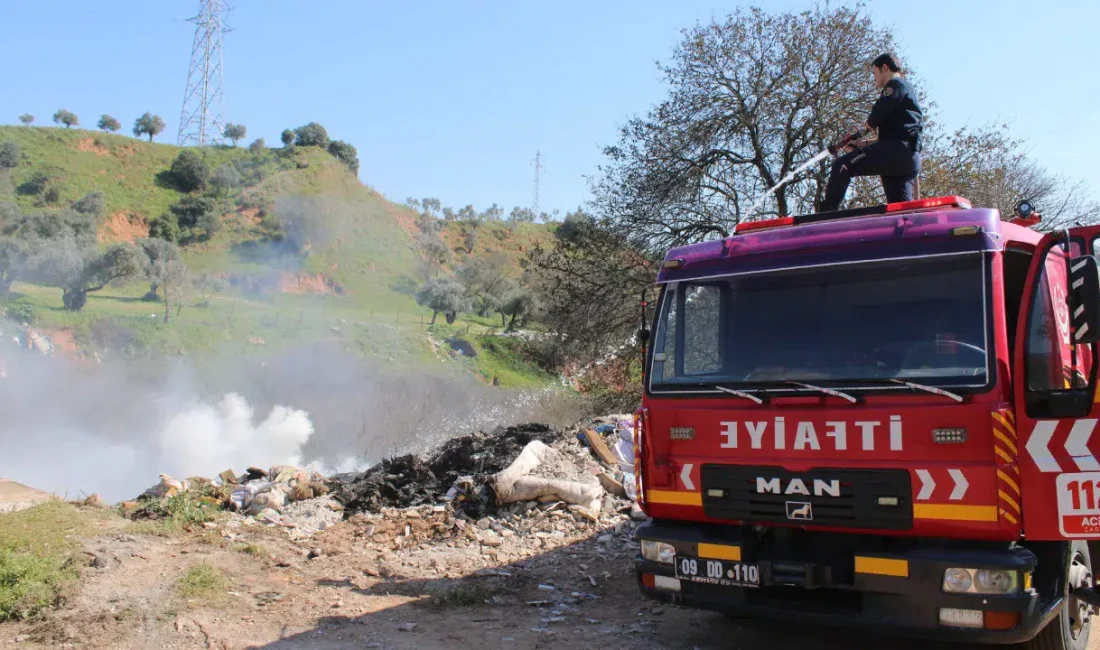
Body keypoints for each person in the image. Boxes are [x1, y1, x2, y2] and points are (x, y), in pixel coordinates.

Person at [820, 53, 924, 212]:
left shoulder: (895, 85)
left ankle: (826, 215)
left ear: (885, 68)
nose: (874, 79)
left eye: (874, 73)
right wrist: (863, 143)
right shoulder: (908, 91)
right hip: (908, 158)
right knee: (900, 211)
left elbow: (877, 116)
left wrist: (861, 133)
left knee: (842, 166)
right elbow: (894, 135)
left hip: (895, 152)